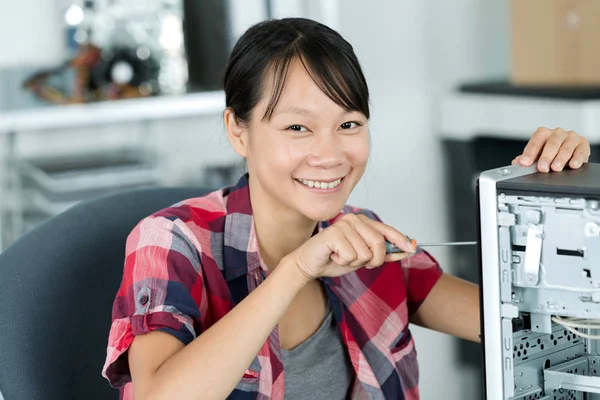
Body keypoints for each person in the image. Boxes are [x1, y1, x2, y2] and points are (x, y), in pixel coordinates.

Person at [101, 17, 592, 400]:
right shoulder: (168, 240)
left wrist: (551, 196)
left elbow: (538, 326)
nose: (331, 154)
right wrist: (295, 270)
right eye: (297, 128)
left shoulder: (365, 241)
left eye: (350, 124)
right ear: (237, 130)